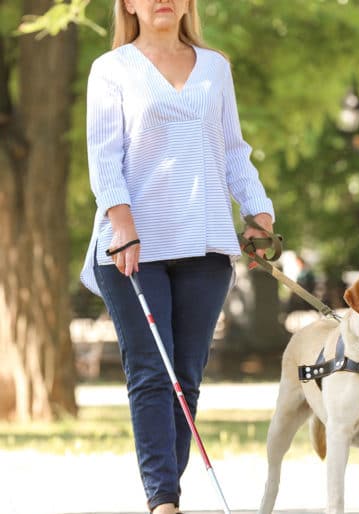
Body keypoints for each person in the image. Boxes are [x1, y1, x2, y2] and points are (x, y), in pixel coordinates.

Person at [79, 0, 275, 512]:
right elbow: (103, 155)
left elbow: (233, 150)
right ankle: (163, 501)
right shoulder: (112, 69)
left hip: (205, 245)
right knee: (150, 372)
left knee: (185, 378)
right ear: (128, 4)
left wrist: (259, 214)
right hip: (132, 247)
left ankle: (168, 490)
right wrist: (121, 221)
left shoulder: (215, 67)